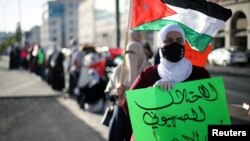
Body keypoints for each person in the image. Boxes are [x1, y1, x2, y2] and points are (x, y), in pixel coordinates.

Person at [123, 24, 211, 140]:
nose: (174, 44)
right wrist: (151, 93)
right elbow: (128, 105)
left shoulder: (200, 74)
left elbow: (211, 108)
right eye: (168, 41)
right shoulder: (148, 74)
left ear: (184, 43)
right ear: (160, 44)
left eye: (179, 40)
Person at [104, 30, 151, 141]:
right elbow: (108, 94)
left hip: (140, 116)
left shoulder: (149, 71)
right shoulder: (118, 71)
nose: (130, 57)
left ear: (140, 53)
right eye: (127, 53)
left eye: (133, 53)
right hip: (120, 117)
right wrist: (115, 93)